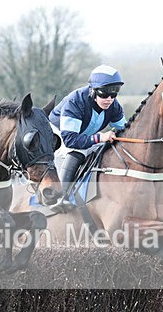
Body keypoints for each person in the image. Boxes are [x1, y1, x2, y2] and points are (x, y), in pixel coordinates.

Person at [50, 64, 127, 209]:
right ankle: (61, 197)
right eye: (104, 94)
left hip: (82, 135)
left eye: (114, 94)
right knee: (77, 152)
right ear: (92, 91)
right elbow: (70, 140)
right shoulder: (75, 102)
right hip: (57, 135)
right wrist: (99, 137)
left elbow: (124, 130)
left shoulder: (114, 106)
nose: (109, 99)